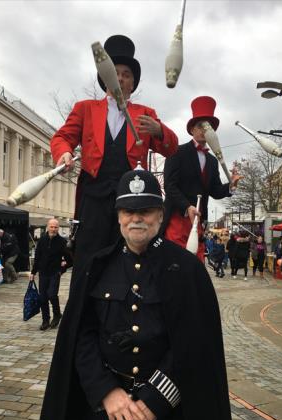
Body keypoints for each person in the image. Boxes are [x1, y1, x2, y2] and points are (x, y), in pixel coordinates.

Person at [33, 165, 235, 420]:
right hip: (106, 413)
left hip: (167, 418)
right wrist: (107, 392)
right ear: (118, 217)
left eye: (146, 210)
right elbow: (82, 336)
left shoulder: (187, 270)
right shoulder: (96, 267)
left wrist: (153, 403)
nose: (136, 218)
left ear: (160, 215)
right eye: (128, 211)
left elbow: (194, 347)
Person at [50, 34, 179, 275]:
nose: (120, 77)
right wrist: (64, 152)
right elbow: (61, 138)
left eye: (126, 74)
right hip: (94, 196)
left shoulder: (145, 113)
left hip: (131, 198)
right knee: (89, 260)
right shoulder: (85, 109)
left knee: (128, 259)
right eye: (115, 72)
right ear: (104, 77)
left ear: (133, 83)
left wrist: (159, 130)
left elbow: (172, 148)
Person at [161, 96, 241, 262]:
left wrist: (230, 186)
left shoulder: (212, 161)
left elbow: (215, 190)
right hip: (177, 219)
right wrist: (187, 206)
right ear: (192, 130)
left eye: (209, 127)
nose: (205, 130)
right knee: (176, 264)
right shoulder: (177, 152)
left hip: (199, 223)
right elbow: (170, 186)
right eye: (200, 126)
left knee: (196, 267)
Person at [30, 218, 73, 330]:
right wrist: (33, 272)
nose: (53, 229)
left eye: (55, 227)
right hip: (43, 272)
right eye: (51, 227)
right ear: (47, 227)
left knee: (52, 294)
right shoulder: (42, 240)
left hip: (55, 272)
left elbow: (70, 260)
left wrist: (61, 270)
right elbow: (38, 257)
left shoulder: (62, 242)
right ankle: (45, 320)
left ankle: (57, 314)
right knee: (43, 297)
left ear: (58, 228)